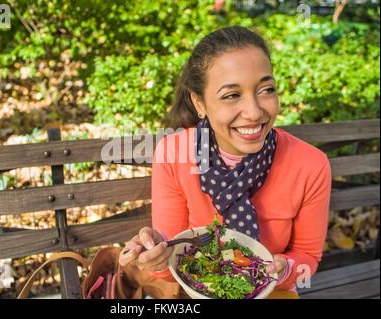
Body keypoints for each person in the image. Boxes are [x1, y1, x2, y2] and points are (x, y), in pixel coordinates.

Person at [119, 26, 332, 298]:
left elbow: (307, 257)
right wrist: (157, 253)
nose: (254, 112)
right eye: (232, 95)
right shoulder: (174, 154)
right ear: (199, 103)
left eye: (266, 89)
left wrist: (286, 269)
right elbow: (167, 270)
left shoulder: (310, 165)